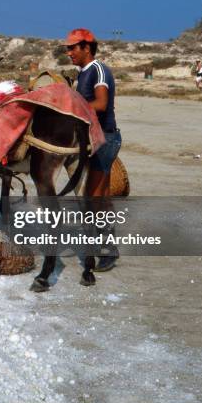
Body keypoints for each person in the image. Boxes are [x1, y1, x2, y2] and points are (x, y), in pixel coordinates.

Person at [63, 28, 121, 270]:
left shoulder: (97, 70)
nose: (69, 53)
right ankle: (105, 246)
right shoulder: (82, 74)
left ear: (87, 47)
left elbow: (101, 103)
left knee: (94, 198)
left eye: (72, 47)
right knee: (99, 197)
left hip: (105, 139)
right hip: (95, 139)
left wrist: (70, 108)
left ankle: (108, 249)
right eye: (67, 48)